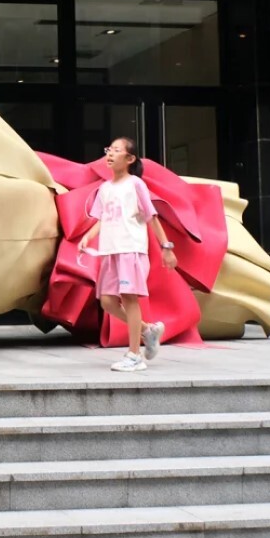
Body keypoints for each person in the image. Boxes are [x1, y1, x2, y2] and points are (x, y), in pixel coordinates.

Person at [78, 137, 178, 372]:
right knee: (107, 302)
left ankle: (135, 355)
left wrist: (167, 248)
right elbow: (103, 218)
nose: (110, 155)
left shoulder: (136, 185)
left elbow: (151, 216)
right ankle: (147, 330)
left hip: (130, 249)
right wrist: (88, 236)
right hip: (110, 251)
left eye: (116, 151)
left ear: (130, 159)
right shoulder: (104, 188)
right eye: (108, 150)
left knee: (129, 298)